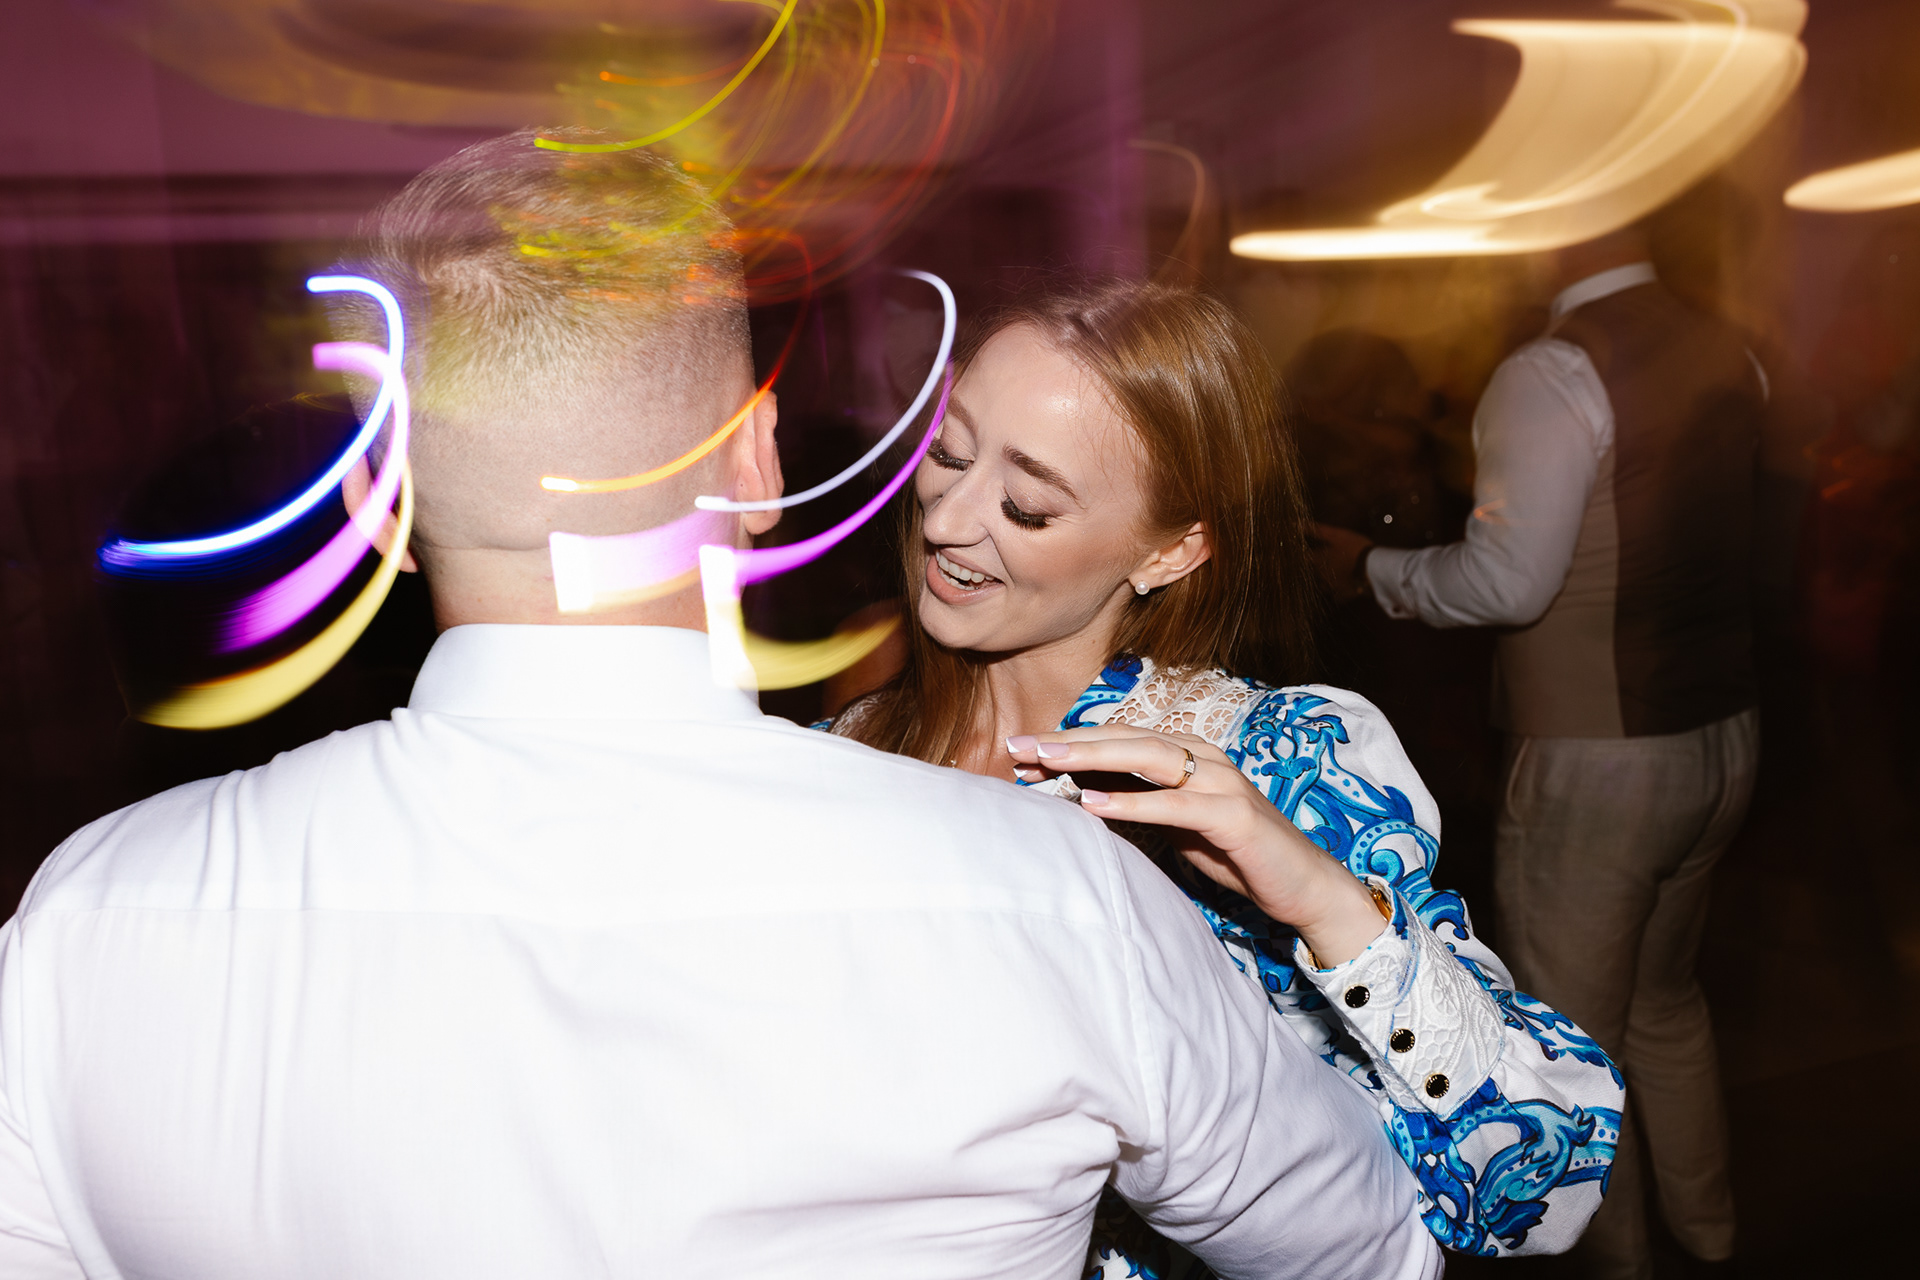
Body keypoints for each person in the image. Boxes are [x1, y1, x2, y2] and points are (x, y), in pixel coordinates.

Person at [0, 132, 1439, 1280]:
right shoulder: (1058, 899)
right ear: (755, 465)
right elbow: (1373, 1252)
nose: (955, 517)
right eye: (951, 461)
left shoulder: (88, 925)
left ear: (378, 498)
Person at [821, 278, 1625, 1273]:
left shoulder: (1275, 765)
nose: (946, 519)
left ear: (1170, 551)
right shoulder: (851, 745)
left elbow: (1546, 1190)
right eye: (948, 452)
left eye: (1027, 506)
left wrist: (1327, 906)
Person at [1314, 224, 1768, 1279]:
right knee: (1668, 1000)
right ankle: (1713, 1237)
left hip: (1598, 758)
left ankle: (1619, 1268)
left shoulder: (1550, 369)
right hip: (1724, 738)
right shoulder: (1728, 346)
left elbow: (1508, 582)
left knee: (1571, 1049)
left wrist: (1371, 568)